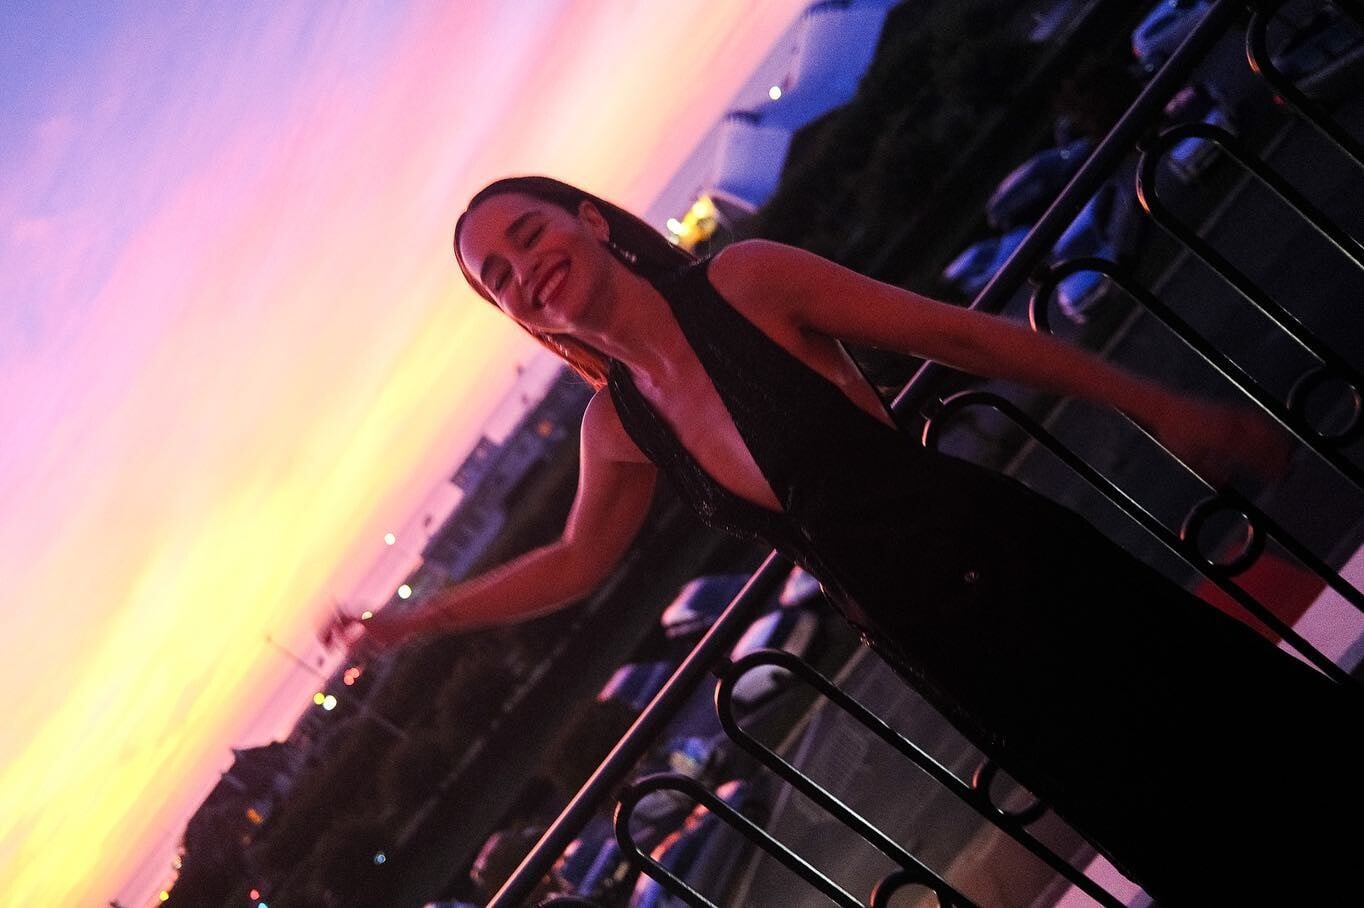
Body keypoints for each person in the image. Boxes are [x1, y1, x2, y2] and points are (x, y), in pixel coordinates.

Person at [324, 176, 1359, 903]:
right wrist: (409, 623)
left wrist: (1159, 407)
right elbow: (573, 562)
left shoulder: (743, 282)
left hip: (1012, 564)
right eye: (497, 275)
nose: (523, 270)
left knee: (1241, 739)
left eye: (528, 234)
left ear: (589, 220)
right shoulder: (617, 426)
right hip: (937, 649)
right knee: (1168, 829)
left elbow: (957, 335)